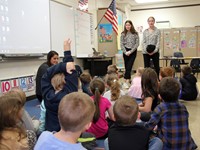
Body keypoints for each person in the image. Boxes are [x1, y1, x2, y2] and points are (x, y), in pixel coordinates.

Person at [145, 77, 197, 150]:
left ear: (160, 96)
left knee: (152, 137)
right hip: (186, 146)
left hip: (168, 147)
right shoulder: (183, 107)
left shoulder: (160, 108)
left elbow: (148, 127)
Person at [41, 39, 78, 132]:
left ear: (51, 82)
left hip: (51, 132)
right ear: (65, 81)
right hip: (69, 132)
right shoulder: (69, 93)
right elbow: (72, 72)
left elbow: (45, 76)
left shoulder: (47, 96)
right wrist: (67, 52)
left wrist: (62, 66)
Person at [120, 20, 139, 86]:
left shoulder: (135, 33)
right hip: (125, 51)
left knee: (129, 66)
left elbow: (137, 44)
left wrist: (130, 51)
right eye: (126, 25)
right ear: (125, 26)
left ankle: (126, 80)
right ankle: (129, 79)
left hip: (133, 51)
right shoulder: (123, 34)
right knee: (126, 66)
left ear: (131, 26)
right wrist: (125, 52)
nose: (127, 26)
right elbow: (121, 44)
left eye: (129, 25)